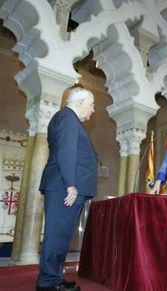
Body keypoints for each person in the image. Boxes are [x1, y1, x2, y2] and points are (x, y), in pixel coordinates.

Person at [37, 87, 97, 291]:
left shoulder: (69, 120)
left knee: (61, 235)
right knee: (56, 235)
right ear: (79, 103)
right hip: (65, 186)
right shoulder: (67, 118)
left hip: (66, 186)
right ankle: (47, 283)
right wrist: (71, 184)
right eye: (91, 104)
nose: (93, 109)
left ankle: (54, 278)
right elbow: (66, 152)